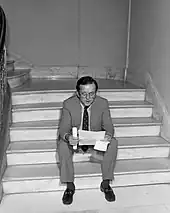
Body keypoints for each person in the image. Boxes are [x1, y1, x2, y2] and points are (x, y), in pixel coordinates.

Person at [57, 76, 118, 205]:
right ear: (78, 93)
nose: (88, 98)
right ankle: (69, 186)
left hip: (95, 138)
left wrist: (108, 135)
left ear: (96, 92)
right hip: (76, 139)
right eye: (84, 94)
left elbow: (109, 127)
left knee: (113, 143)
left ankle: (106, 184)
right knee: (62, 145)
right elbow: (63, 129)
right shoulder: (68, 104)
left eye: (92, 93)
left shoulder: (103, 103)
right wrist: (68, 138)